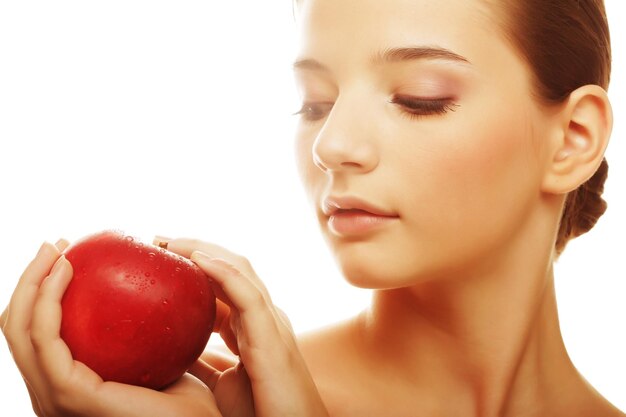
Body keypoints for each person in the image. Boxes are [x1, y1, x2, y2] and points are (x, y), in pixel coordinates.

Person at [1, 0, 624, 415]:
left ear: (572, 139)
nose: (331, 146)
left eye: (418, 98)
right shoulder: (217, 405)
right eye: (315, 103)